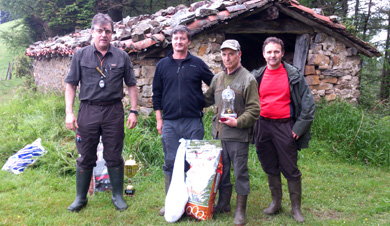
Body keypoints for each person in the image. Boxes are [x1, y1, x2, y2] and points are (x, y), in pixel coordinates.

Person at [64, 13, 138, 212]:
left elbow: (131, 85)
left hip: (113, 111)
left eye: (107, 31)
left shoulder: (121, 56)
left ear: (112, 33)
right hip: (88, 110)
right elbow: (70, 84)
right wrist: (69, 113)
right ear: (92, 32)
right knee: (86, 155)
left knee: (114, 154)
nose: (103, 35)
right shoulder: (81, 55)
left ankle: (117, 196)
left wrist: (133, 111)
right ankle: (80, 198)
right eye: (99, 31)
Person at [152, 25, 214, 216]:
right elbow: (157, 94)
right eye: (176, 38)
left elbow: (214, 84)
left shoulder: (197, 63)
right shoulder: (162, 65)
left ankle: (193, 203)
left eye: (182, 38)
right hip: (170, 122)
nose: (179, 42)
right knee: (170, 162)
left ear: (189, 41)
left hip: (193, 121)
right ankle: (170, 203)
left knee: (194, 164)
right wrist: (159, 120)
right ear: (172, 40)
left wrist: (202, 101)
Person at [251, 37, 315, 222]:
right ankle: (276, 203)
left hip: (285, 126)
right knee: (269, 165)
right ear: (264, 54)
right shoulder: (257, 76)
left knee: (290, 167)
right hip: (263, 125)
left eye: (276, 51)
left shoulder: (293, 75)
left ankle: (296, 209)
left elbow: (308, 104)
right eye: (269, 52)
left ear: (282, 53)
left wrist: (299, 128)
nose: (273, 55)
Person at [203, 39, 260, 225]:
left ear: (239, 54)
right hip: (218, 135)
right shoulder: (217, 78)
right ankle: (224, 204)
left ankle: (240, 211)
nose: (227, 58)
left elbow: (254, 109)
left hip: (238, 136)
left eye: (231, 54)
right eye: (224, 54)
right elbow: (207, 99)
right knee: (222, 171)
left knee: (241, 172)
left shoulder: (248, 79)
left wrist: (238, 122)